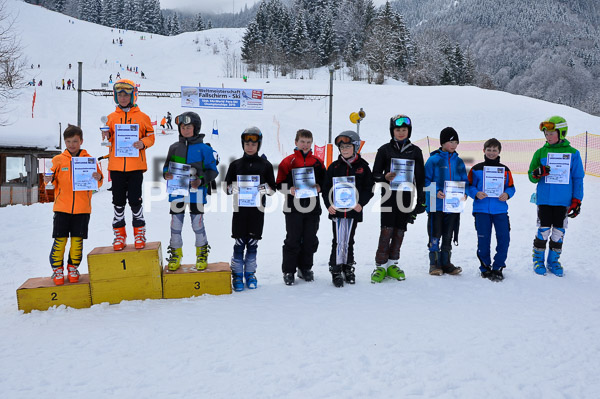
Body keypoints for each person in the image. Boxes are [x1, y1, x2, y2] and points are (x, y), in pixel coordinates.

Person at [45, 125, 103, 285]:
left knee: (77, 241)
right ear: (65, 142)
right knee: (60, 240)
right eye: (69, 141)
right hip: (62, 208)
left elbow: (98, 182)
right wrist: (47, 179)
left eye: (75, 141)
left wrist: (98, 177)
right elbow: (50, 178)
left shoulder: (89, 159)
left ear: (81, 141)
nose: (72, 144)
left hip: (82, 209)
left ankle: (72, 268)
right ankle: (57, 270)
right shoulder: (58, 160)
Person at [371, 115, 426, 283]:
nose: (401, 133)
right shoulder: (384, 150)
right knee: (386, 230)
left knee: (400, 229)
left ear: (409, 131)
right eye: (397, 130)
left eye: (404, 130)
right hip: (388, 195)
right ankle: (380, 266)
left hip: (406, 196)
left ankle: (393, 263)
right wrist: (384, 176)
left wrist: (421, 200)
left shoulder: (415, 151)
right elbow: (374, 174)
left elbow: (421, 178)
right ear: (392, 131)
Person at [102, 79, 155, 250]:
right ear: (116, 97)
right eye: (120, 95)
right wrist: (106, 137)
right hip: (116, 167)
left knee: (135, 200)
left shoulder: (143, 117)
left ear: (133, 95)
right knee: (118, 201)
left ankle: (139, 232)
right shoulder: (111, 118)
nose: (123, 98)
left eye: (126, 94)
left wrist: (143, 143)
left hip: (135, 167)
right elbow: (109, 137)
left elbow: (151, 136)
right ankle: (119, 234)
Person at [528, 116, 584, 277]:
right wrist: (537, 173)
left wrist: (576, 200)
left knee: (559, 231)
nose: (548, 136)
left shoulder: (573, 153)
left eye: (551, 133)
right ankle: (538, 259)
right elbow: (531, 176)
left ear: (562, 133)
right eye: (546, 133)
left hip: (563, 201)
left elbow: (578, 178)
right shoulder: (540, 152)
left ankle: (553, 261)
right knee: (544, 229)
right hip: (545, 199)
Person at [163, 112, 218, 271]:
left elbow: (213, 171)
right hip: (177, 192)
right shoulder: (174, 148)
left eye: (188, 127)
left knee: (197, 224)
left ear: (196, 128)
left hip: (197, 193)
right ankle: (176, 253)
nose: (185, 130)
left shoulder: (204, 149)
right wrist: (166, 173)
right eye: (182, 127)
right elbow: (167, 165)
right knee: (176, 224)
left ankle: (201, 253)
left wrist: (201, 180)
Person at [224, 127, 276, 291]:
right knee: (239, 243)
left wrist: (264, 188)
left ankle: (250, 273)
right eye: (247, 143)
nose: (250, 147)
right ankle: (237, 275)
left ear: (259, 145)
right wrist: (233, 188)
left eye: (253, 144)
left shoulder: (265, 165)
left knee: (253, 244)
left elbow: (273, 190)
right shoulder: (235, 164)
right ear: (243, 144)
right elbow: (226, 187)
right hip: (240, 211)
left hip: (257, 212)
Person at [321, 131, 374, 287]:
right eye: (342, 147)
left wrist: (361, 203)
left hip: (353, 210)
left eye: (348, 146)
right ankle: (336, 268)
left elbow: (368, 188)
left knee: (349, 240)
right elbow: (326, 188)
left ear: (355, 147)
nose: (344, 150)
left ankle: (348, 266)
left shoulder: (363, 167)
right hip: (337, 210)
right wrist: (328, 205)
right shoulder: (334, 167)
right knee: (338, 240)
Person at [276, 129, 325, 285]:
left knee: (310, 239)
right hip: (293, 207)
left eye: (308, 142)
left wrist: (320, 187)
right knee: (293, 239)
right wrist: (288, 189)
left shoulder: (317, 162)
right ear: (296, 142)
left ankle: (305, 268)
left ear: (312, 143)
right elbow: (278, 184)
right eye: (302, 141)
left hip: (312, 207)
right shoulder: (288, 161)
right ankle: (289, 270)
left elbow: (325, 182)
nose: (305, 145)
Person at [467, 138, 515, 281]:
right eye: (489, 150)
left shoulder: (505, 170)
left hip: (500, 210)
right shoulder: (476, 169)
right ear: (484, 151)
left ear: (499, 151)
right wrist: (476, 193)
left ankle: (498, 266)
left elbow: (511, 187)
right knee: (483, 240)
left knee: (504, 239)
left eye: (495, 150)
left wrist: (507, 194)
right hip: (481, 210)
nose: (492, 153)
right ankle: (485, 267)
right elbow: (469, 186)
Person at [424, 127, 469, 276]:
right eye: (451, 142)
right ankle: (434, 264)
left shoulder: (459, 162)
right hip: (435, 204)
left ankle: (446, 262)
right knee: (435, 233)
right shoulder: (433, 160)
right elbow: (424, 180)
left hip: (453, 206)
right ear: (443, 142)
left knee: (448, 234)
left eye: (456, 142)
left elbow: (464, 181)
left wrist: (465, 193)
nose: (453, 145)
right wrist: (435, 191)